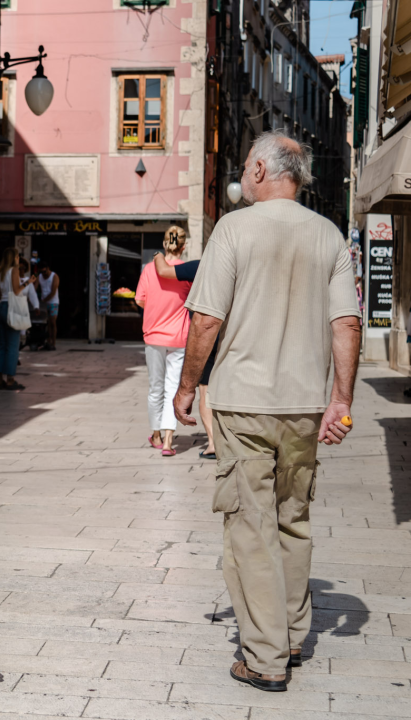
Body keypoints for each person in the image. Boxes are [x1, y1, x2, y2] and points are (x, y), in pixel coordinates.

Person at [172, 132, 360, 693]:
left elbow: (205, 320)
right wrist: (341, 400)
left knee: (250, 529)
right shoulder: (328, 235)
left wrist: (185, 387)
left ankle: (265, 657)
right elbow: (346, 324)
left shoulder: (233, 229)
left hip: (244, 404)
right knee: (292, 519)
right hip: (304, 406)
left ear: (257, 169)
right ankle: (295, 634)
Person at [152, 252, 217, 460]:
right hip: (232, 335)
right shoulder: (238, 268)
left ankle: (214, 444)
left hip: (208, 336)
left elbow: (163, 270)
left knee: (205, 390)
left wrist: (158, 255)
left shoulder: (201, 266)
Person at [135, 226, 191, 457]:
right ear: (183, 246)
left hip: (154, 336)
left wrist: (156, 309)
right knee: (172, 388)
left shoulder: (149, 269)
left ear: (165, 243)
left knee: (155, 388)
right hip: (179, 337)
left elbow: (140, 300)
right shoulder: (187, 271)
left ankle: (155, 434)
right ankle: (168, 442)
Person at [0, 247, 29, 390]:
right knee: (13, 346)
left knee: (2, 345)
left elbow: (0, 294)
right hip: (11, 308)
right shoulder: (14, 270)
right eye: (18, 256)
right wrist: (27, 282)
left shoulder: (0, 271)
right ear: (15, 257)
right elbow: (16, 290)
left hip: (1, 307)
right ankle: (10, 380)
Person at [36, 262, 60, 350]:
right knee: (46, 323)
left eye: (45, 272)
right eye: (41, 272)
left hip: (53, 302)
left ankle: (53, 342)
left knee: (52, 322)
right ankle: (48, 341)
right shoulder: (39, 277)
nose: (44, 274)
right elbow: (35, 287)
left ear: (48, 268)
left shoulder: (54, 276)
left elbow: (53, 292)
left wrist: (43, 300)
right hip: (44, 303)